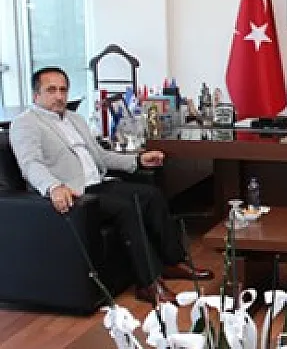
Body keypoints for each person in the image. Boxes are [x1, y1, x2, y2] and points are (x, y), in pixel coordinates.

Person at [10, 67, 214, 306]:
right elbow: (30, 164)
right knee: (126, 207)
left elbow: (101, 156)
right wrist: (54, 187)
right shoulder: (26, 123)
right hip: (76, 194)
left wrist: (138, 160)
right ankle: (148, 284)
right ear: (36, 95)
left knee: (152, 195)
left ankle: (172, 261)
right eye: (51, 90)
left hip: (98, 184)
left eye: (63, 90)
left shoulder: (75, 119)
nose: (59, 96)